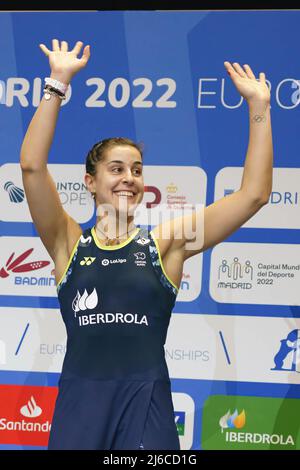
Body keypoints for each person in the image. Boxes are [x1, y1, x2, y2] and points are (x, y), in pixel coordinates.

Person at [20, 39, 273, 450]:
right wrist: (57, 83)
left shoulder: (167, 243)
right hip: (81, 406)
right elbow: (32, 166)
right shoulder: (67, 242)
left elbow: (254, 195)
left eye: (136, 170)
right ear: (90, 182)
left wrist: (259, 107)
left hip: (147, 405)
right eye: (116, 168)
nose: (129, 178)